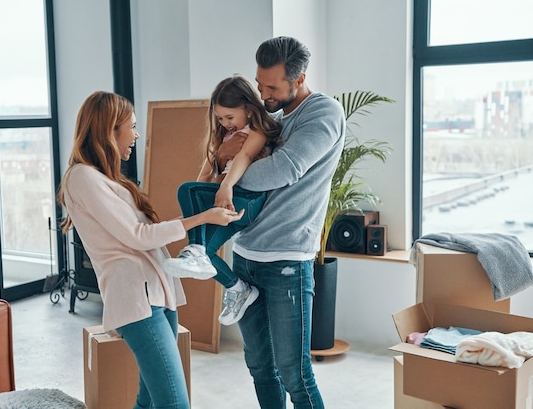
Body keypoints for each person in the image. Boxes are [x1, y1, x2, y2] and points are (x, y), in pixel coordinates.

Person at [57, 91, 243, 409]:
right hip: (136, 300)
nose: (137, 134)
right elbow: (139, 236)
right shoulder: (82, 177)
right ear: (109, 130)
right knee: (173, 403)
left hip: (156, 294)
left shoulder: (106, 179)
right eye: (131, 126)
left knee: (150, 400)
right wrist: (202, 218)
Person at [216, 37, 346, 408]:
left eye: (271, 87)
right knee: (259, 366)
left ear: (299, 78)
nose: (263, 93)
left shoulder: (324, 113)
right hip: (244, 255)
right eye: (260, 84)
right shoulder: (270, 118)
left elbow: (284, 169)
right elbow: (227, 154)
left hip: (287, 261)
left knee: (295, 373)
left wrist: (234, 171)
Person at [162, 75, 282, 326]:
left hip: (246, 200)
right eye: (219, 118)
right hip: (228, 202)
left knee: (187, 191)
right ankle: (238, 288)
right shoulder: (223, 138)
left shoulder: (257, 130)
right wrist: (218, 160)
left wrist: (225, 185)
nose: (225, 123)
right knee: (205, 251)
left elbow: (245, 156)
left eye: (229, 117)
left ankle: (195, 252)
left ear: (249, 110)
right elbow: (203, 177)